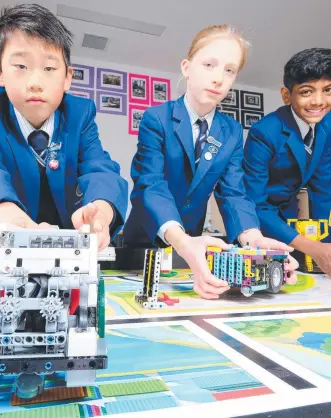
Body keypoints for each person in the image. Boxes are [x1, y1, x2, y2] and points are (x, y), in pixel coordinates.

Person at [123, 25, 298, 299]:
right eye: (209, 64)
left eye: (229, 70)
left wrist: (253, 239)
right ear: (186, 67)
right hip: (146, 242)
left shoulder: (231, 132)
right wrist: (181, 241)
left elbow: (233, 193)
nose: (218, 78)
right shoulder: (156, 118)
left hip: (196, 248)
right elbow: (150, 185)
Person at [0, 4, 127, 251]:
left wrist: (102, 211)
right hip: (1, 246)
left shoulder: (79, 115)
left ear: (67, 77)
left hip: (67, 248)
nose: (35, 83)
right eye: (20, 67)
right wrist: (2, 212)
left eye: (49, 68)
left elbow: (99, 168)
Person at [243, 48, 331, 281]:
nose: (319, 101)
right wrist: (313, 249)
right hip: (258, 218)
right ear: (287, 95)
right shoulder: (263, 132)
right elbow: (254, 203)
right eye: (306, 92)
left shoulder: (328, 122)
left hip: (289, 211)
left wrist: (326, 250)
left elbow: (323, 186)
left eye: (328, 90)